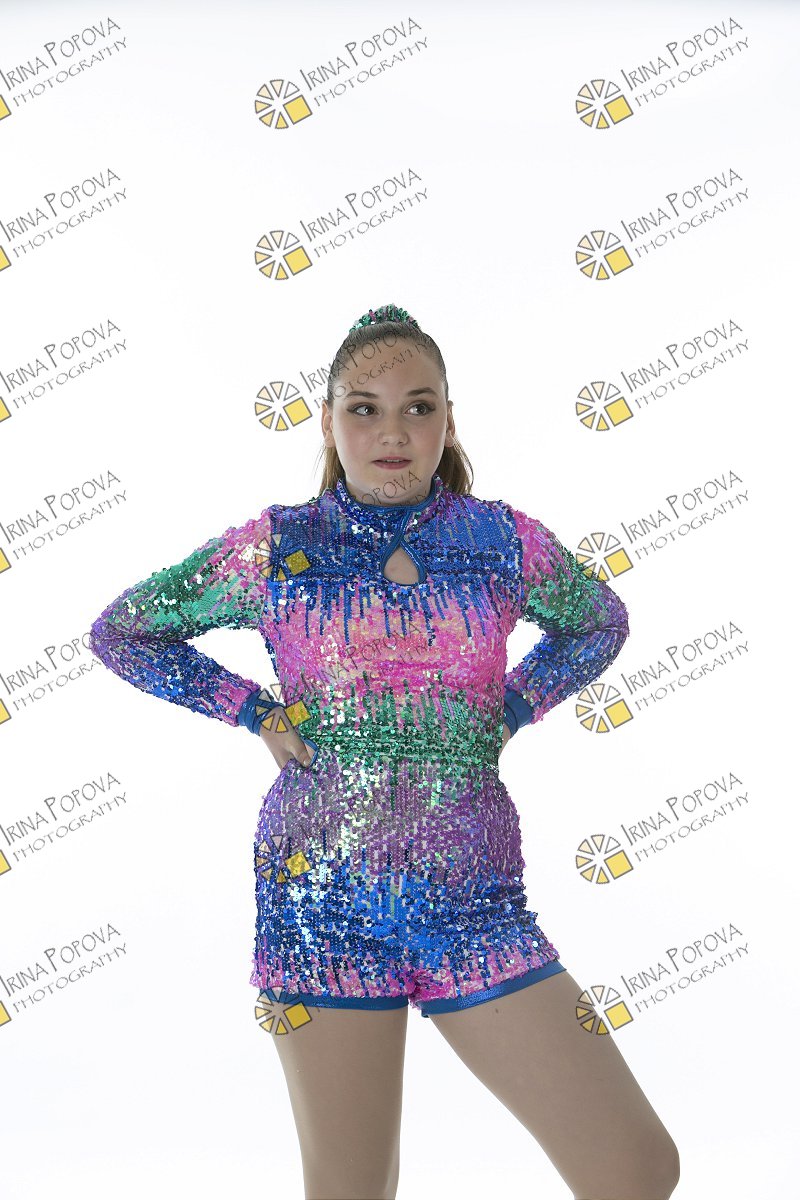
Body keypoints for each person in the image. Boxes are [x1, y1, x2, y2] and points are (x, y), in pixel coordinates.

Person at [88, 303, 680, 1200]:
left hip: (475, 905)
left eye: (418, 407)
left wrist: (515, 704)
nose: (393, 432)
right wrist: (253, 712)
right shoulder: (280, 547)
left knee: (634, 1167)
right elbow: (125, 630)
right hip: (320, 903)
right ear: (327, 424)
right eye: (364, 409)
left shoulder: (501, 542)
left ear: (449, 421)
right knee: (352, 1190)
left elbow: (599, 620)